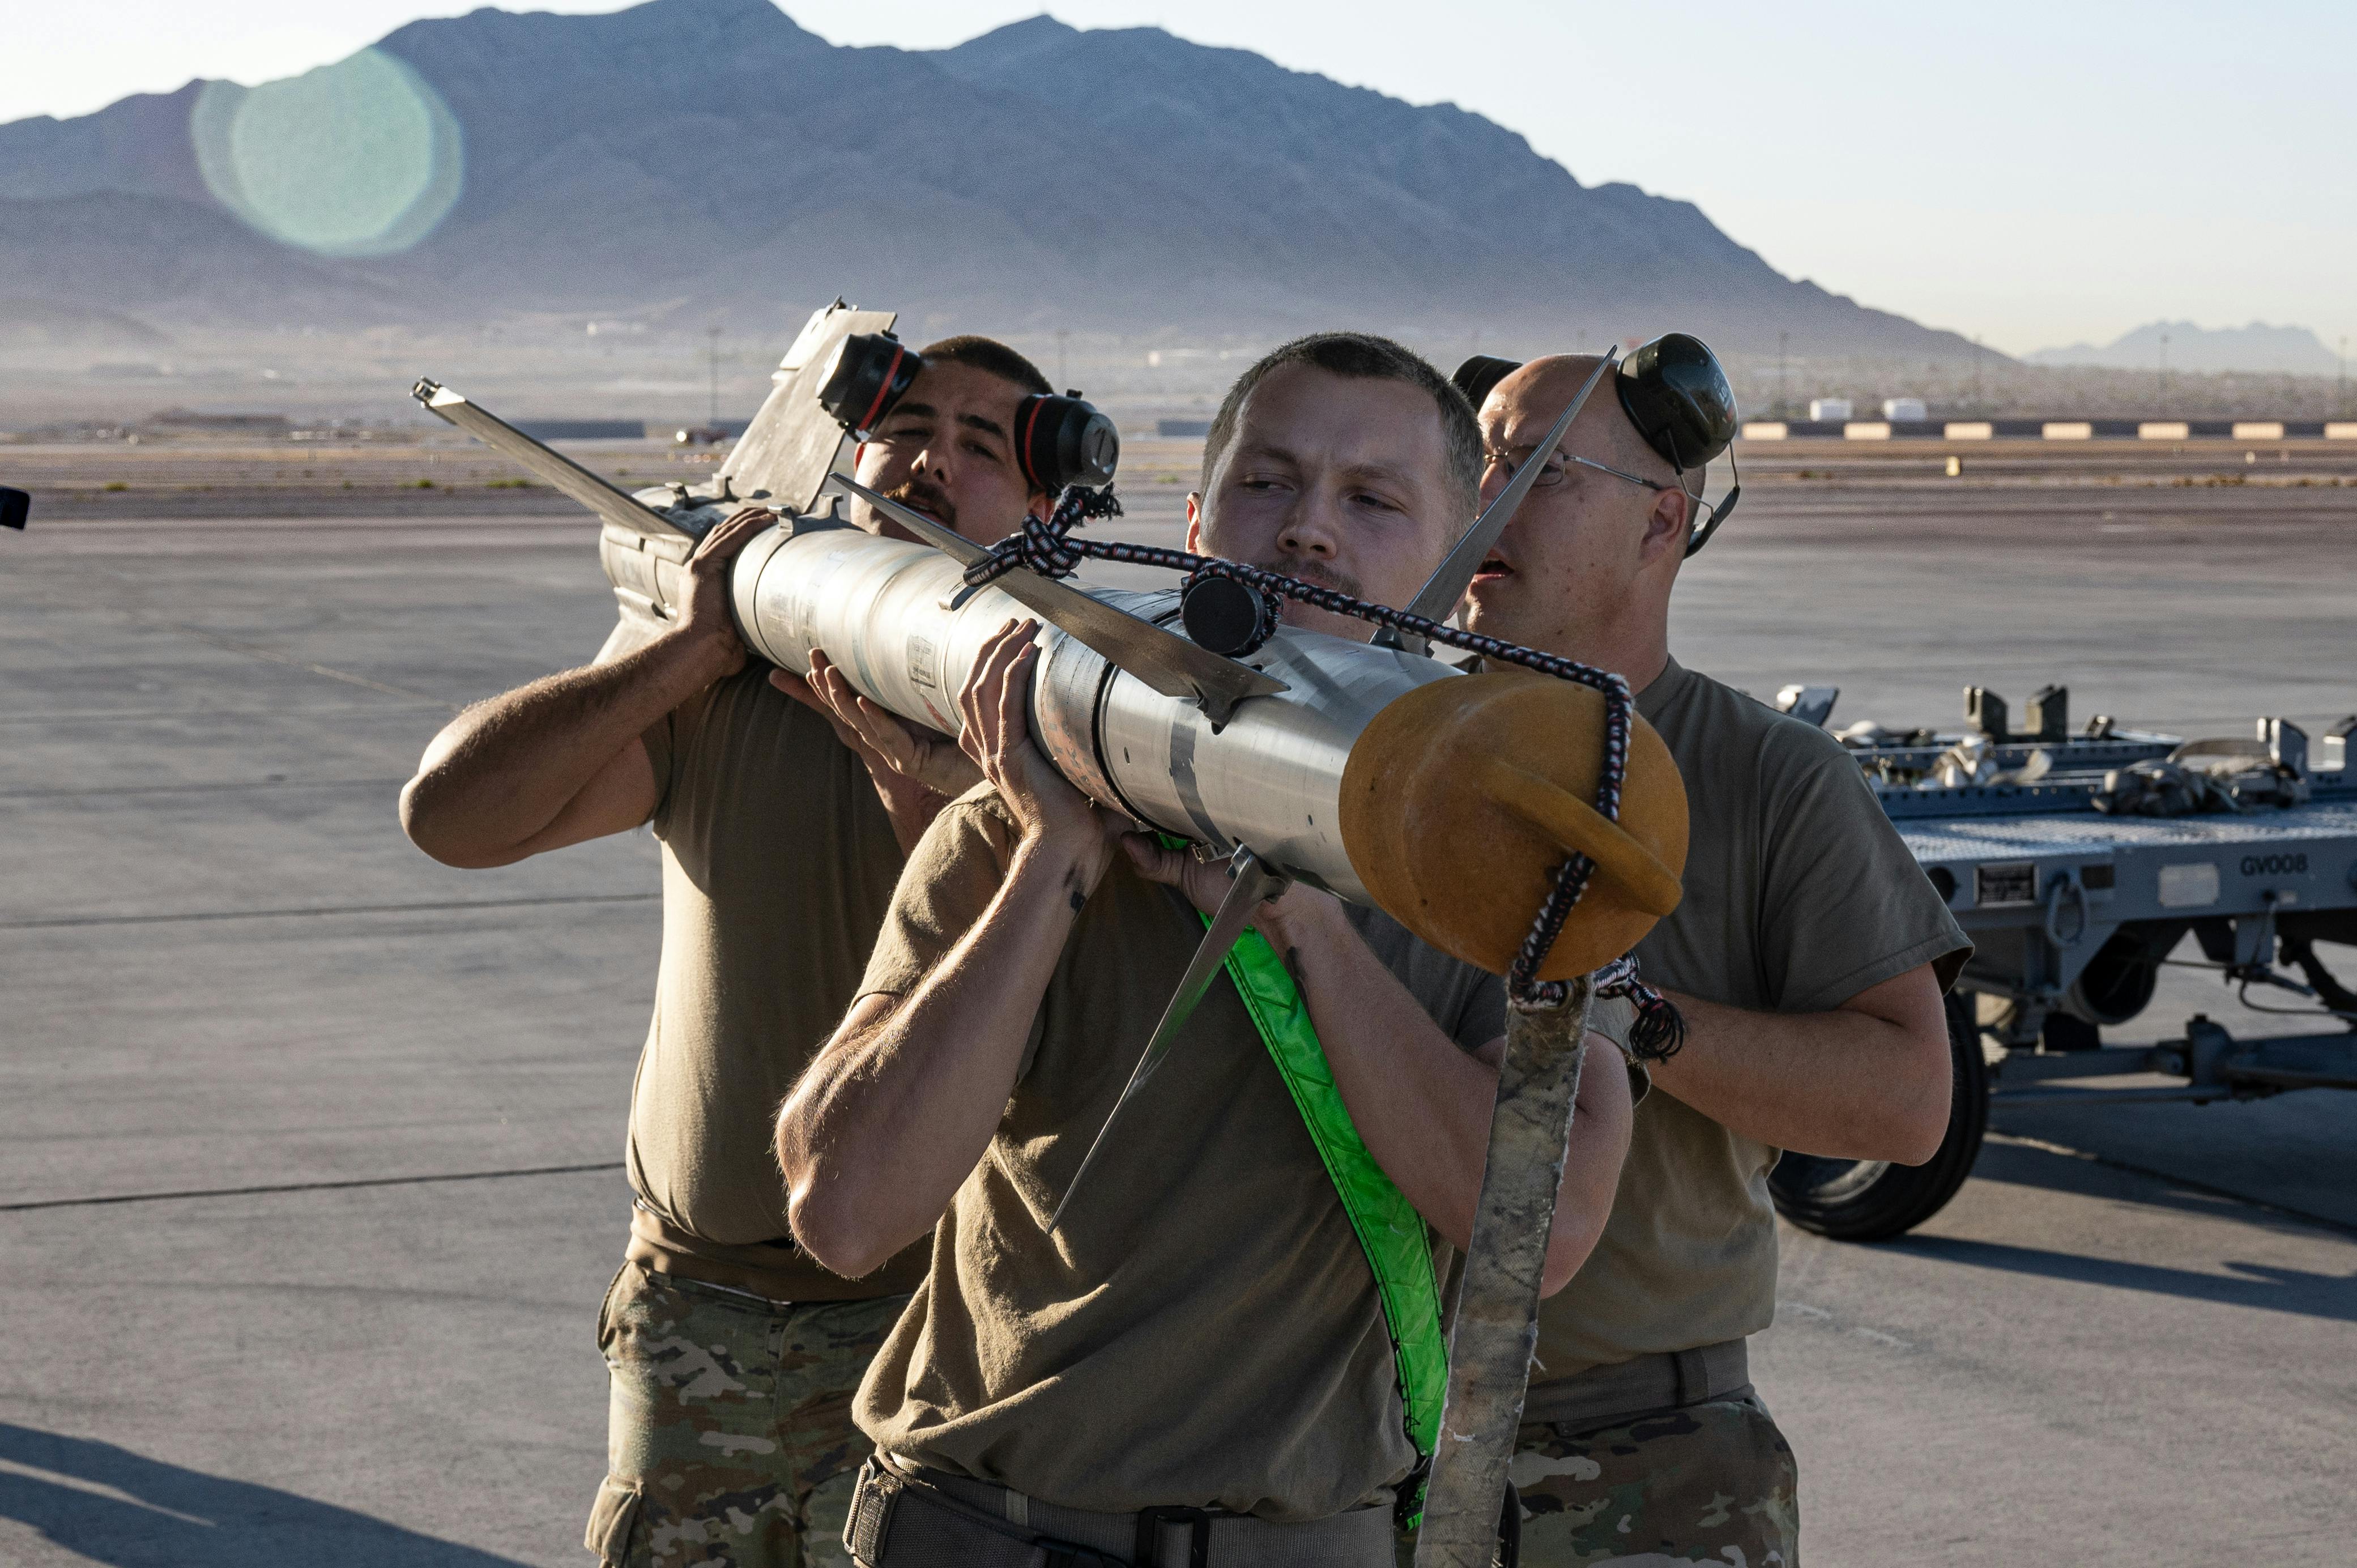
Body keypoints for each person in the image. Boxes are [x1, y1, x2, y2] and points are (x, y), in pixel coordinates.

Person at [774, 333, 1638, 1568]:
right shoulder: (1005, 825)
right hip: (989, 1529)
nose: (1307, 533)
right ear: (1195, 527)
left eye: (1373, 500)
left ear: (1457, 563)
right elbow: (845, 1207)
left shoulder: (1514, 871)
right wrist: (1049, 862)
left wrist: (1303, 920)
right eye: (1266, 484)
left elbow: (1536, 1237)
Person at [397, 335, 1061, 1568]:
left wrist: (942, 800)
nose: (931, 458)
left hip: (931, 1334)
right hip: (695, 1311)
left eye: (984, 443)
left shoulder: (1054, 747)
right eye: (908, 424)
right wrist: (689, 648)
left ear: (1044, 505)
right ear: (852, 451)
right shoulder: (730, 692)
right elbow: (452, 818)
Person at [1457, 345, 1972, 1567]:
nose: (1486, 497)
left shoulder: (1765, 778)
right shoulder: (1366, 754)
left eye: (1538, 469)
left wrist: (1629, 1012)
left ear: (1660, 523)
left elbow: (1909, 1102)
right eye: (1476, 460)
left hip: (1634, 1455)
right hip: (1344, 1441)